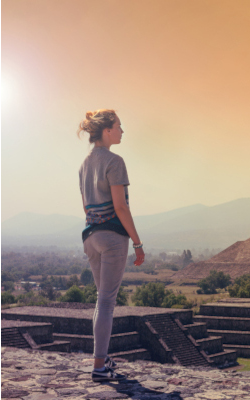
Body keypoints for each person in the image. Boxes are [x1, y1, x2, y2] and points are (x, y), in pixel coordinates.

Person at [77, 109, 145, 382]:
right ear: (106, 130)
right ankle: (98, 367)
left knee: (100, 302)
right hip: (112, 237)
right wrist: (138, 243)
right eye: (118, 126)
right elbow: (120, 206)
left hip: (91, 236)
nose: (121, 131)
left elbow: (85, 206)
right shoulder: (115, 161)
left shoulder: (84, 164)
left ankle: (103, 359)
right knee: (106, 303)